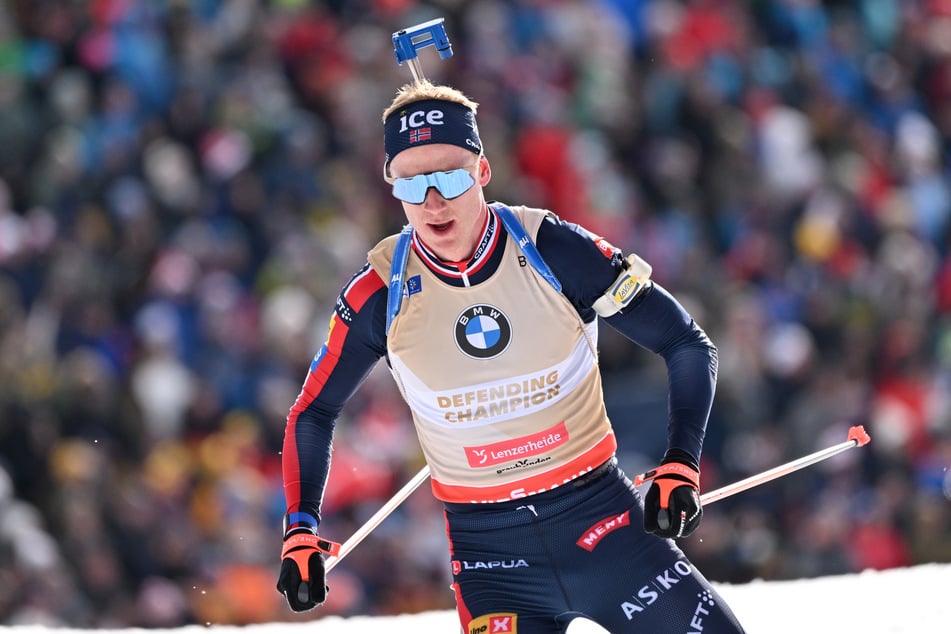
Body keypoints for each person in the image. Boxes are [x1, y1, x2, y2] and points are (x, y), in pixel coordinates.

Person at [276, 79, 747, 633]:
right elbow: (313, 411)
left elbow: (685, 343)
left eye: (449, 177)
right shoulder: (380, 291)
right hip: (492, 561)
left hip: (603, 524)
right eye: (412, 183)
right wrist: (300, 528)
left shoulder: (553, 249)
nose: (432, 202)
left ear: (482, 171)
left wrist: (680, 462)